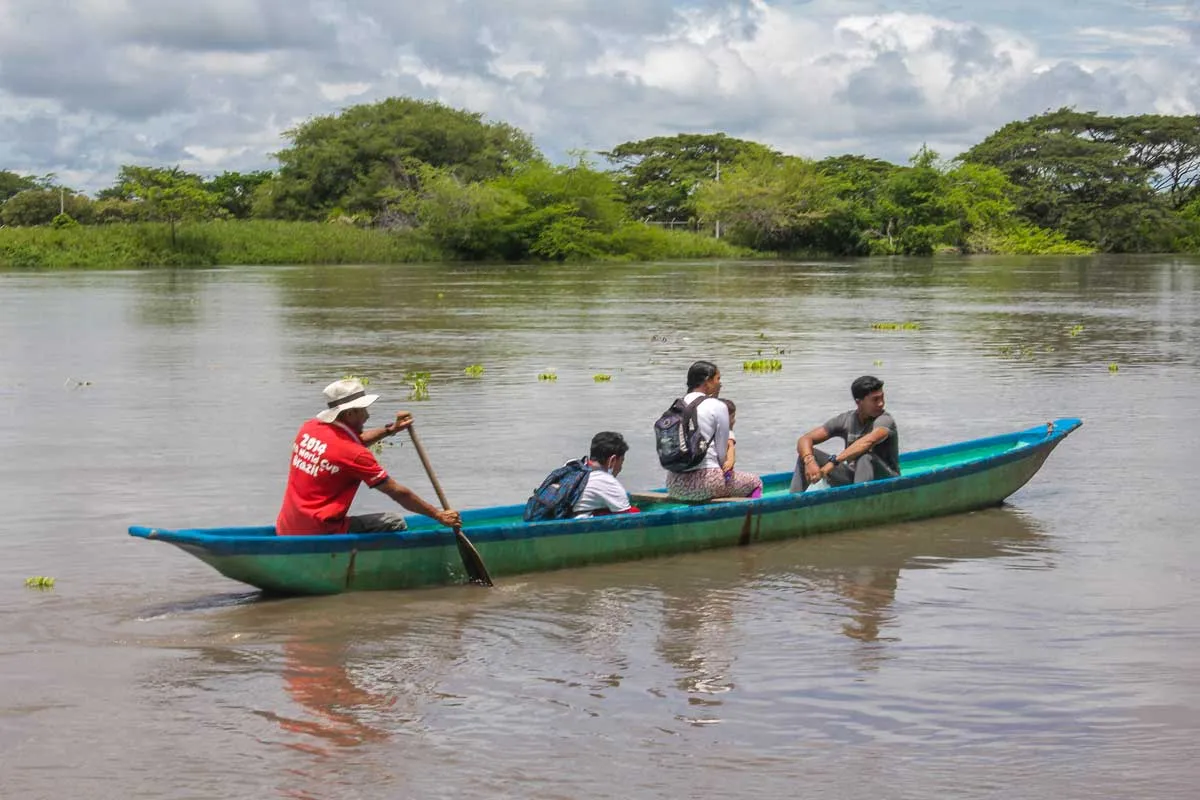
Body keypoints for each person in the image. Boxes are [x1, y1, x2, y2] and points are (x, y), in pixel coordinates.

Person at [276, 378, 461, 535]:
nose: (367, 415)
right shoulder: (355, 454)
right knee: (394, 521)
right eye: (363, 410)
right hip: (322, 531)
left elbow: (350, 444)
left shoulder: (309, 428)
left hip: (287, 527)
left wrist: (391, 429)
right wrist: (438, 515)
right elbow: (397, 492)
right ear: (350, 413)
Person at [665, 361, 763, 502]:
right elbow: (722, 455)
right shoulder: (717, 406)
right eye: (717, 379)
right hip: (707, 483)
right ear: (707, 381)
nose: (720, 384)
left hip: (674, 485)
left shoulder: (676, 406)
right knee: (755, 482)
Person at [790, 375, 900, 492]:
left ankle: (859, 499)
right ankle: (793, 500)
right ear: (859, 402)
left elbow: (868, 442)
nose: (881, 403)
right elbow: (805, 439)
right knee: (806, 454)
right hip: (855, 477)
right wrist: (809, 460)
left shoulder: (885, 420)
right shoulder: (846, 420)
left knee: (865, 457)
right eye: (875, 399)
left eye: (882, 398)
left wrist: (833, 462)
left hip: (887, 478)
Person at [573, 431, 640, 518]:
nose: (620, 468)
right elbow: (630, 518)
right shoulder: (607, 482)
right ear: (613, 460)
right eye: (621, 462)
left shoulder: (573, 466)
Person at [721, 398, 738, 479]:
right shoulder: (728, 433)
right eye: (732, 417)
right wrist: (730, 462)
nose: (734, 421)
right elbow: (730, 446)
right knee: (756, 481)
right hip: (725, 473)